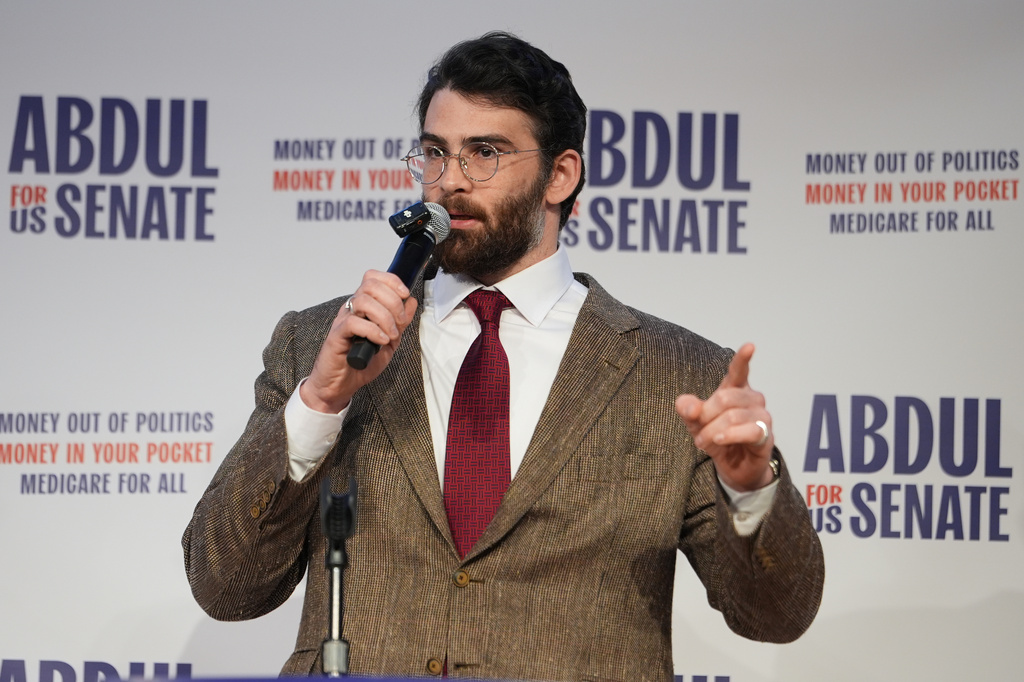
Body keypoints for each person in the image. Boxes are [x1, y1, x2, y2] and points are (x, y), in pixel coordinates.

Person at [183, 31, 824, 681]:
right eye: (436, 153)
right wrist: (319, 404)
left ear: (561, 174)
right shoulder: (323, 345)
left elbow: (776, 615)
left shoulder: (680, 375)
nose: (450, 180)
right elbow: (227, 587)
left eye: (484, 153)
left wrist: (751, 489)